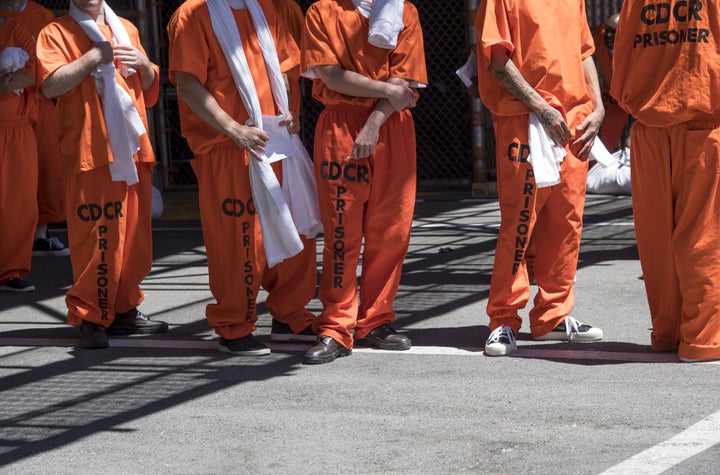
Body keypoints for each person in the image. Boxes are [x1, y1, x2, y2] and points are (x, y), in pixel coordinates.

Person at [167, 0, 321, 356]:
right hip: (227, 144)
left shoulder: (263, 6)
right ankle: (233, 325)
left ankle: (289, 312)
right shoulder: (192, 13)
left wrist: (290, 112)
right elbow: (188, 84)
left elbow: (283, 66)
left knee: (297, 227)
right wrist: (234, 129)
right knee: (240, 240)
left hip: (273, 138)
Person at [475, 0, 605, 356]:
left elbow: (584, 53)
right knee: (520, 223)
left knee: (566, 223)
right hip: (525, 117)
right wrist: (542, 108)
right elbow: (498, 61)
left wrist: (598, 107)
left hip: (574, 121)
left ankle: (553, 316)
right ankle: (503, 318)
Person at [36, 0, 168, 348]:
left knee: (135, 240)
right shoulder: (56, 31)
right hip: (90, 151)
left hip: (132, 148)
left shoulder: (126, 27)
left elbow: (150, 88)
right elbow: (50, 86)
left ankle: (124, 309)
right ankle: (90, 315)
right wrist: (95, 56)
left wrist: (144, 65)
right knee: (96, 240)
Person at [300, 0, 427, 364]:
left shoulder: (405, 11)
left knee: (392, 232)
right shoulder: (322, 10)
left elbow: (403, 81)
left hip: (390, 126)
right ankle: (336, 326)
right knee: (342, 232)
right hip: (340, 124)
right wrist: (386, 92)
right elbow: (329, 73)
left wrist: (374, 122)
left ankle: (375, 320)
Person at [611, 0, 720, 362]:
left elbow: (622, 53)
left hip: (649, 124)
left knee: (656, 236)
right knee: (703, 234)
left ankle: (669, 331)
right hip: (704, 121)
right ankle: (703, 336)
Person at [0, 0, 69, 257]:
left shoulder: (43, 15)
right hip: (12, 107)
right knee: (14, 181)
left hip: (40, 100)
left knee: (47, 167)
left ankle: (41, 234)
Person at [0, 14, 38, 293]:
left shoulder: (17, 29)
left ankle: (11, 270)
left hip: (16, 131)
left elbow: (34, 73)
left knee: (19, 202)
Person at [271, 0, 303, 116]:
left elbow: (304, 48)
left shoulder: (288, 7)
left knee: (289, 130)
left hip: (289, 81)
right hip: (258, 82)